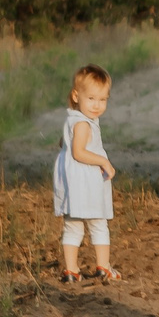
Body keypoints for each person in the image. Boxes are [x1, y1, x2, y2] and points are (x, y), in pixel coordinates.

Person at [55, 64, 120, 284]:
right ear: (76, 96)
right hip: (86, 184)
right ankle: (103, 266)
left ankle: (71, 270)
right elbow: (78, 152)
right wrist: (103, 161)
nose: (97, 105)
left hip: (73, 185)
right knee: (98, 223)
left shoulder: (73, 118)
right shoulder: (83, 124)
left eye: (103, 100)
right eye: (91, 98)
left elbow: (65, 144)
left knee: (73, 226)